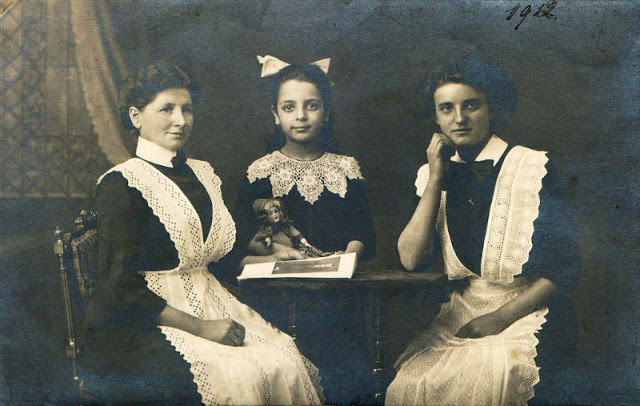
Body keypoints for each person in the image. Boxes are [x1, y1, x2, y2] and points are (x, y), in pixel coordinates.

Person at [81, 60, 323, 405]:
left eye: (187, 109)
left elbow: (214, 257)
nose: (180, 120)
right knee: (239, 375)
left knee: (283, 358)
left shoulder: (201, 174)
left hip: (212, 302)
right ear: (136, 116)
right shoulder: (122, 184)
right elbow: (120, 287)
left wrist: (272, 257)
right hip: (145, 323)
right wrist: (202, 328)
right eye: (166, 109)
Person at [386, 58, 581, 405]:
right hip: (461, 311)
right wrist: (436, 178)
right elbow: (411, 260)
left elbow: (565, 269)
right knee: (410, 382)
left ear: (492, 109)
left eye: (471, 105)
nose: (459, 118)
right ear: (436, 118)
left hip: (527, 311)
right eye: (446, 108)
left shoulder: (534, 168)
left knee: (500, 371)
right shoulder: (430, 175)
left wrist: (500, 318)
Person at [232, 55, 376, 404]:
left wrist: (349, 254)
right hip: (277, 301)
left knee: (347, 375)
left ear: (325, 112)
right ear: (275, 114)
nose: (301, 116)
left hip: (337, 301)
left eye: (311, 106)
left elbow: (365, 233)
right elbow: (240, 241)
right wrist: (274, 251)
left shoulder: (346, 169)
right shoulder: (260, 171)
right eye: (289, 107)